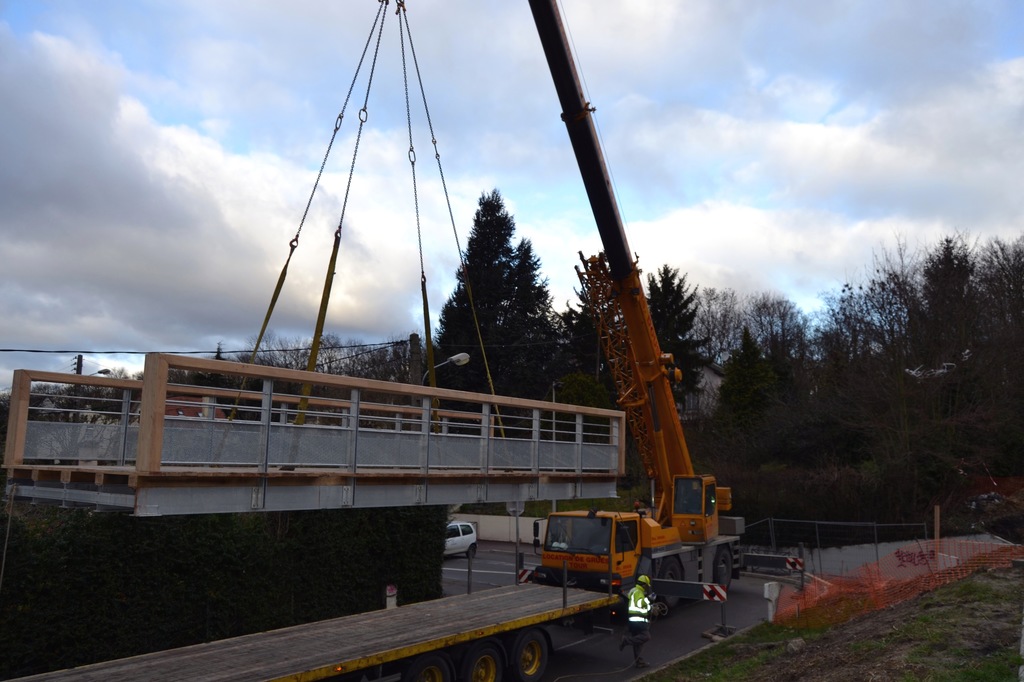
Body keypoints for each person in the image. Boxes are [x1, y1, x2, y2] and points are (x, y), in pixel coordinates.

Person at [620, 574, 653, 668]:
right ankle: (626, 641)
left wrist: (649, 604)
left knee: (638, 641)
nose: (647, 588)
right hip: (639, 620)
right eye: (647, 586)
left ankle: (639, 662)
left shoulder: (633, 590)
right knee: (646, 636)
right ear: (644, 585)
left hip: (632, 620)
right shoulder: (639, 592)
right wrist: (650, 606)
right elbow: (639, 603)